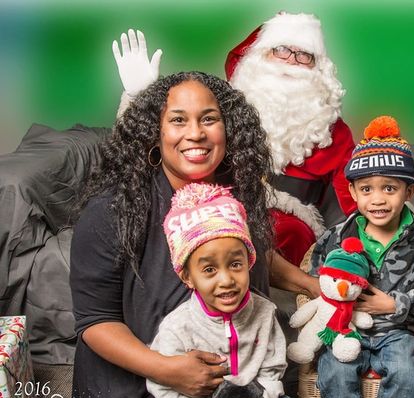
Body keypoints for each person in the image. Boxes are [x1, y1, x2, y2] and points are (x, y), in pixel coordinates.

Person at [70, 71, 273, 398]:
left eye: (209, 119)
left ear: (228, 129)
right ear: (155, 133)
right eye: (178, 120)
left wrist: (310, 283)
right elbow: (95, 321)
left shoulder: (237, 195)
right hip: (138, 380)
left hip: (231, 369)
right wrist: (168, 370)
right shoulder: (112, 210)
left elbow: (253, 255)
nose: (195, 133)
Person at [112, 12, 356, 268]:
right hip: (206, 208)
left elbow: (357, 194)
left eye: (304, 55)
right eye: (282, 50)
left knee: (281, 230)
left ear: (318, 69)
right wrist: (139, 97)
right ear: (259, 55)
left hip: (289, 234)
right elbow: (147, 147)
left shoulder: (331, 132)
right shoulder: (218, 107)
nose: (291, 62)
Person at [307, 116, 414, 398]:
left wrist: (396, 304)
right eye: (367, 189)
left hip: (399, 331)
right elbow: (319, 281)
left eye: (389, 188)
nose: (378, 199)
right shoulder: (336, 237)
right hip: (348, 331)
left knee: (406, 368)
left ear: (409, 191)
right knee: (333, 369)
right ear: (353, 192)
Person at [148, 182, 317, 398]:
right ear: (187, 277)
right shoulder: (176, 328)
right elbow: (167, 390)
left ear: (249, 263)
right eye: (209, 270)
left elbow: (270, 375)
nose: (226, 280)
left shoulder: (264, 313)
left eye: (236, 264)